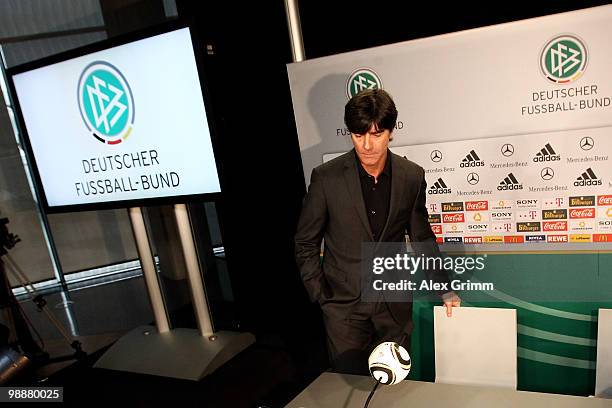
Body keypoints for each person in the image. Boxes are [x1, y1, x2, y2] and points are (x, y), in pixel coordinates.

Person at [294, 88, 460, 375]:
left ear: (391, 132)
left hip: (393, 303)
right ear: (350, 133)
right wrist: (322, 294)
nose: (367, 145)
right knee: (349, 383)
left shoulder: (412, 176)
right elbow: (305, 242)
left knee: (393, 386)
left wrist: (444, 287)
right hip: (343, 308)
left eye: (377, 134)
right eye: (359, 135)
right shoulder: (326, 178)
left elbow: (421, 237)